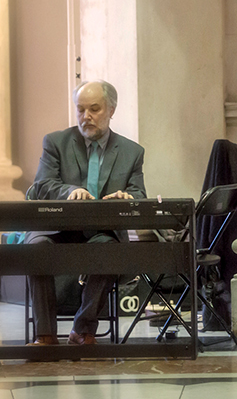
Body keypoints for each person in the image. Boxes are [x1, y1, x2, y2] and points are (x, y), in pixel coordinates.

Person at [25, 80, 146, 346]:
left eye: (94, 109)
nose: (86, 117)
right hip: (56, 227)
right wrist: (69, 191)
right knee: (36, 249)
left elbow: (139, 195)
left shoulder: (131, 152)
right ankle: (45, 335)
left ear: (111, 110)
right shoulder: (56, 142)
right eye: (80, 110)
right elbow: (40, 187)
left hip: (101, 231)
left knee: (111, 250)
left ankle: (82, 329)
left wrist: (126, 198)